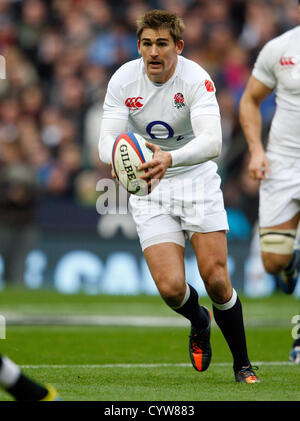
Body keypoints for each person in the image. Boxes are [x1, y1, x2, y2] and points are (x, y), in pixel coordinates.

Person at [99, 9, 260, 383]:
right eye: (146, 44)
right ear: (139, 46)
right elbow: (107, 139)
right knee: (171, 289)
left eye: (162, 44)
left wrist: (169, 158)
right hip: (150, 184)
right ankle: (199, 320)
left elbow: (213, 142)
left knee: (217, 280)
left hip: (195, 179)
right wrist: (118, 159)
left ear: (178, 46)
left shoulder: (196, 80)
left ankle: (243, 365)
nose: (153, 52)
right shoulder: (124, 79)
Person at [239, 0, 300, 364]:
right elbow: (249, 100)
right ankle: (291, 262)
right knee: (272, 262)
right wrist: (256, 151)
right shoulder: (279, 49)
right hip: (281, 163)